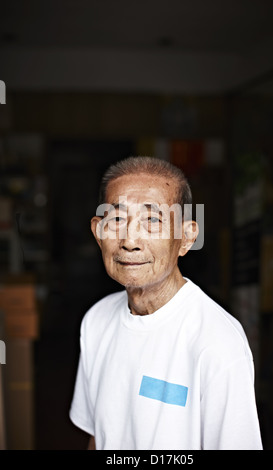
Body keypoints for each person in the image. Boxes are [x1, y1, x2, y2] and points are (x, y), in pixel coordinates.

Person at [69, 156, 263, 450]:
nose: (130, 241)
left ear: (186, 238)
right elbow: (98, 436)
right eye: (117, 220)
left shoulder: (219, 343)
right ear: (98, 232)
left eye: (152, 221)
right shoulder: (96, 321)